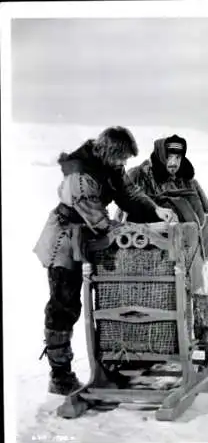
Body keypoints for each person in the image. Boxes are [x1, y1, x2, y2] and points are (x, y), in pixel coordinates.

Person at [34, 126, 175, 395]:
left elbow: (128, 193)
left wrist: (155, 210)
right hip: (65, 241)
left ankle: (109, 361)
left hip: (89, 238)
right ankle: (60, 374)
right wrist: (127, 232)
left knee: (105, 300)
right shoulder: (79, 177)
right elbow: (98, 220)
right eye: (121, 159)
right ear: (110, 153)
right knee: (64, 306)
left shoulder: (110, 166)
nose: (124, 165)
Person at [119, 134, 208, 223]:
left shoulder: (190, 183)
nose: (174, 163)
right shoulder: (137, 176)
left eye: (178, 157)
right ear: (161, 156)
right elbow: (122, 215)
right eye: (169, 157)